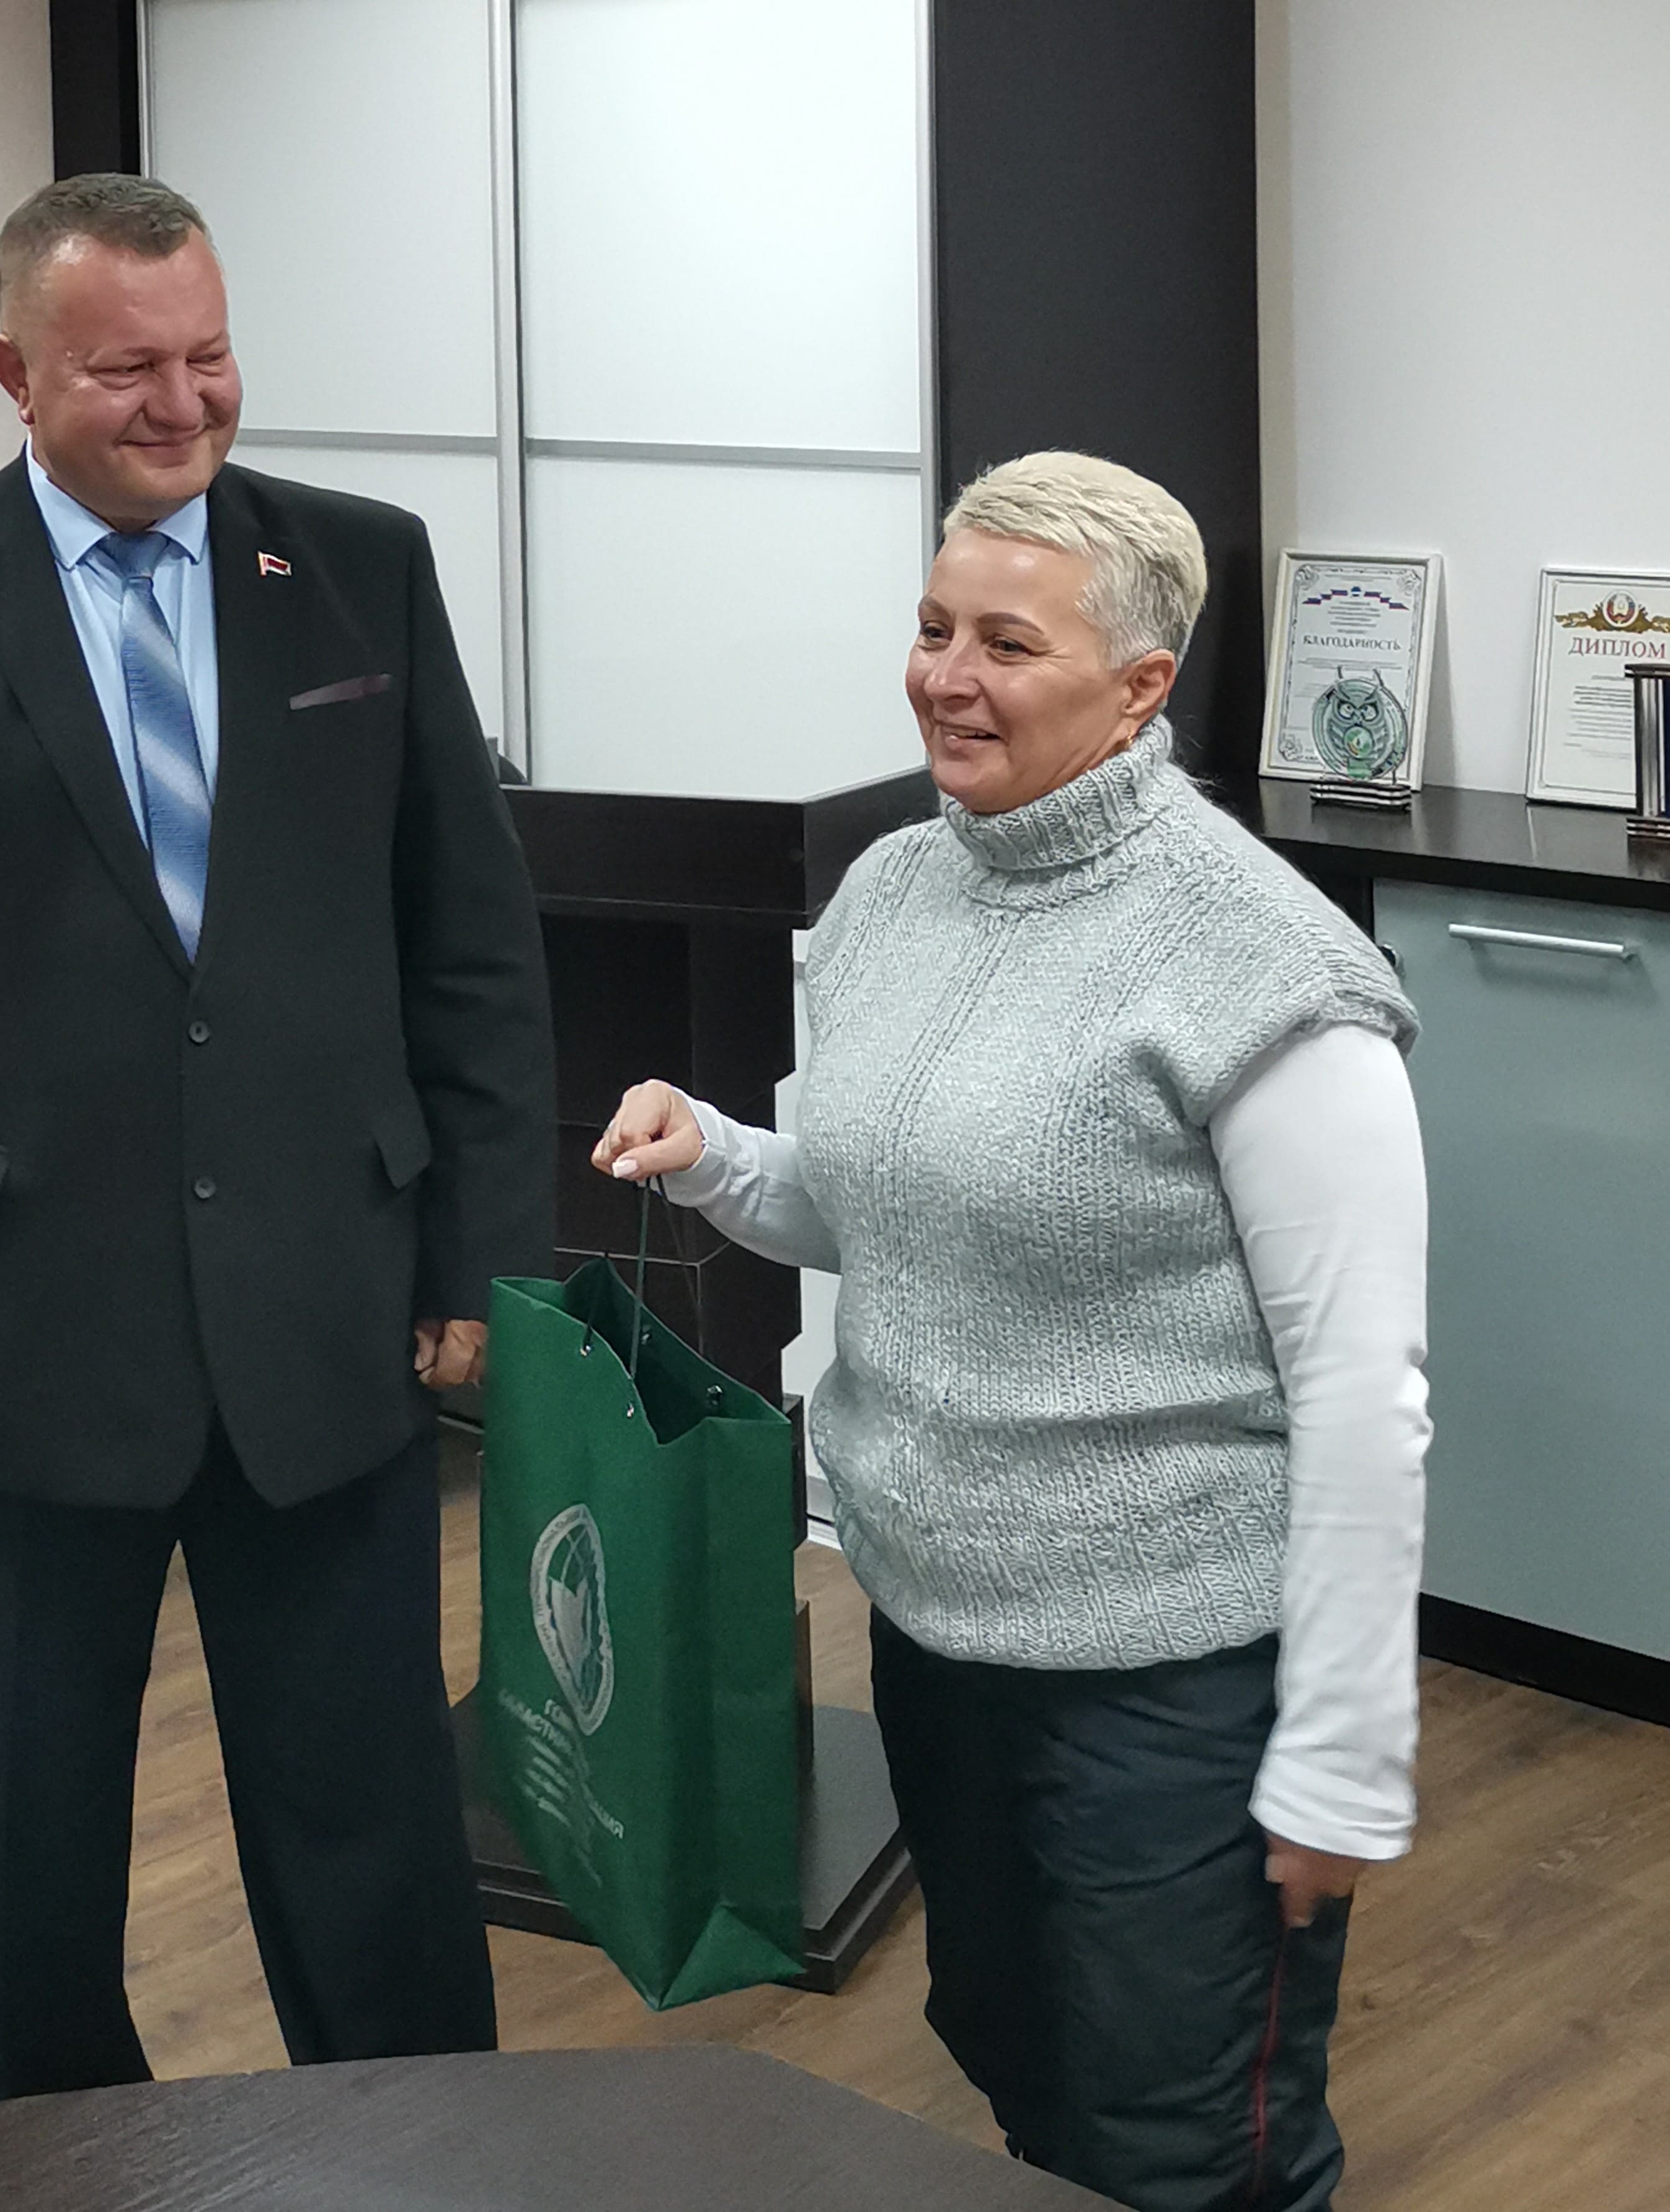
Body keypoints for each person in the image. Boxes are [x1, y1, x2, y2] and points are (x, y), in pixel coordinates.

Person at [0, 173, 554, 2110]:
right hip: (5, 1348)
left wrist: (486, 1259)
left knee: (371, 1837)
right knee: (11, 1855)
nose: (181, 405)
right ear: (12, 371)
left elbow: (471, 949)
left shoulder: (358, 569)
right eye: (123, 371)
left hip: (322, 1317)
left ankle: (421, 2158)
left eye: (209, 358)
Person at [593, 451, 1426, 2212]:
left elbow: (1363, 1391)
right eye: (931, 628)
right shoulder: (895, 890)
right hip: (935, 1631)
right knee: (1012, 2052)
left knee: (1182, 2143)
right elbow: (883, 1208)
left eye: (1007, 645)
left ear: (1139, 687)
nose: (945, 678)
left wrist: (1344, 1758)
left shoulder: (1265, 967)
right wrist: (721, 1157)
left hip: (1174, 1682)